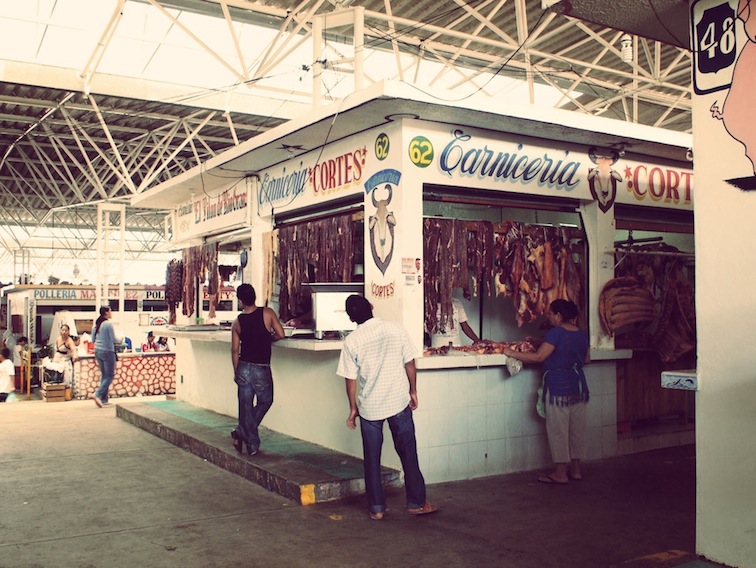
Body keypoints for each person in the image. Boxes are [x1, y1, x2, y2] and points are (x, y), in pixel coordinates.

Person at [337, 295, 438, 520]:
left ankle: (377, 509)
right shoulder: (395, 329)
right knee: (408, 453)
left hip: (370, 408)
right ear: (372, 307)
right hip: (398, 402)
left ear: (351, 318)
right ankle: (416, 503)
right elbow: (409, 363)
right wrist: (413, 390)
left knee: (371, 458)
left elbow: (350, 380)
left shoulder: (352, 341)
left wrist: (353, 408)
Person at [502, 299, 590, 484]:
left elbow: (539, 357)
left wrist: (511, 352)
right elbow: (587, 359)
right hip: (579, 386)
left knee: (558, 431)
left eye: (550, 313)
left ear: (559, 315)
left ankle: (560, 473)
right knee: (577, 430)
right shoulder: (582, 335)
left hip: (558, 388)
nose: (548, 316)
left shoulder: (555, 333)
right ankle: (576, 470)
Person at [230, 284, 285, 456]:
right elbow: (281, 334)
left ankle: (244, 434)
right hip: (261, 368)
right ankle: (248, 440)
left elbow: (234, 350)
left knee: (245, 406)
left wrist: (236, 371)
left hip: (244, 367)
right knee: (266, 400)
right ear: (254, 296)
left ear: (240, 300)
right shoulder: (267, 313)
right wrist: (268, 339)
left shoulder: (237, 322)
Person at [91, 306, 117, 408]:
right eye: (110, 311)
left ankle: (104, 398)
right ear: (106, 313)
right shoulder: (108, 324)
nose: (111, 313)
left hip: (97, 351)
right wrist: (121, 338)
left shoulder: (96, 325)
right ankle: (97, 394)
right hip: (108, 351)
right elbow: (114, 339)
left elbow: (93, 340)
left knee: (104, 375)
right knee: (110, 375)